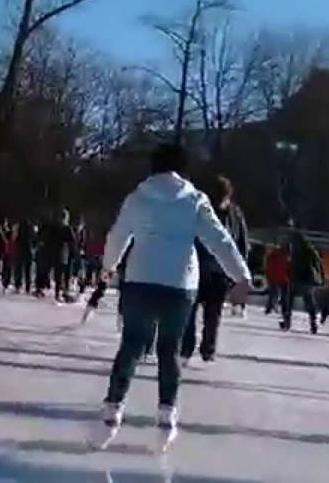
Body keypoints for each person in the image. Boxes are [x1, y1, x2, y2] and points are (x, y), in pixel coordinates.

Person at [93, 144, 251, 452]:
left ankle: (112, 412)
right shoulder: (194, 200)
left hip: (140, 279)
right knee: (170, 349)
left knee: (132, 345)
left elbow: (118, 235)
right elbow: (219, 238)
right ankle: (167, 416)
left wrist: (108, 266)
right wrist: (241, 275)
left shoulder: (138, 198)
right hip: (179, 284)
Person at [180, 175, 249, 365]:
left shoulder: (199, 209)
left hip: (200, 268)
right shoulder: (234, 213)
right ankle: (206, 349)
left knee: (193, 312)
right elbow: (242, 244)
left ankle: (189, 349)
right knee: (212, 314)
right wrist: (239, 272)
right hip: (218, 270)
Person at [283, 231, 326, 333]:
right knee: (308, 301)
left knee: (290, 300)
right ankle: (313, 323)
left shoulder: (298, 249)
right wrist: (322, 276)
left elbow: (318, 262)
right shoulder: (306, 249)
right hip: (305, 278)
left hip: (299, 278)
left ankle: (287, 321)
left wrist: (322, 276)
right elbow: (319, 262)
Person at [35, 208, 75, 303]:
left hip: (49, 253)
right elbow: (72, 242)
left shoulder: (50, 226)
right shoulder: (67, 228)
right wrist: (73, 253)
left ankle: (40, 289)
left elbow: (41, 237)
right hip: (61, 255)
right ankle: (57, 294)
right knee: (59, 276)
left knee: (45, 272)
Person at [12, 219, 38, 295]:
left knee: (18, 268)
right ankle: (28, 287)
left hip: (19, 249)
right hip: (28, 250)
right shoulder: (31, 228)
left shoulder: (19, 227)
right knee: (28, 270)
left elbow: (15, 238)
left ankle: (18, 286)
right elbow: (35, 239)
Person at [264, 242, 290, 315]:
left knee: (273, 293)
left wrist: (268, 274)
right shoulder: (288, 256)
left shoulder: (274, 254)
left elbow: (268, 264)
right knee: (284, 296)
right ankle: (283, 310)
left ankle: (269, 308)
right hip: (284, 278)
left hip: (274, 276)